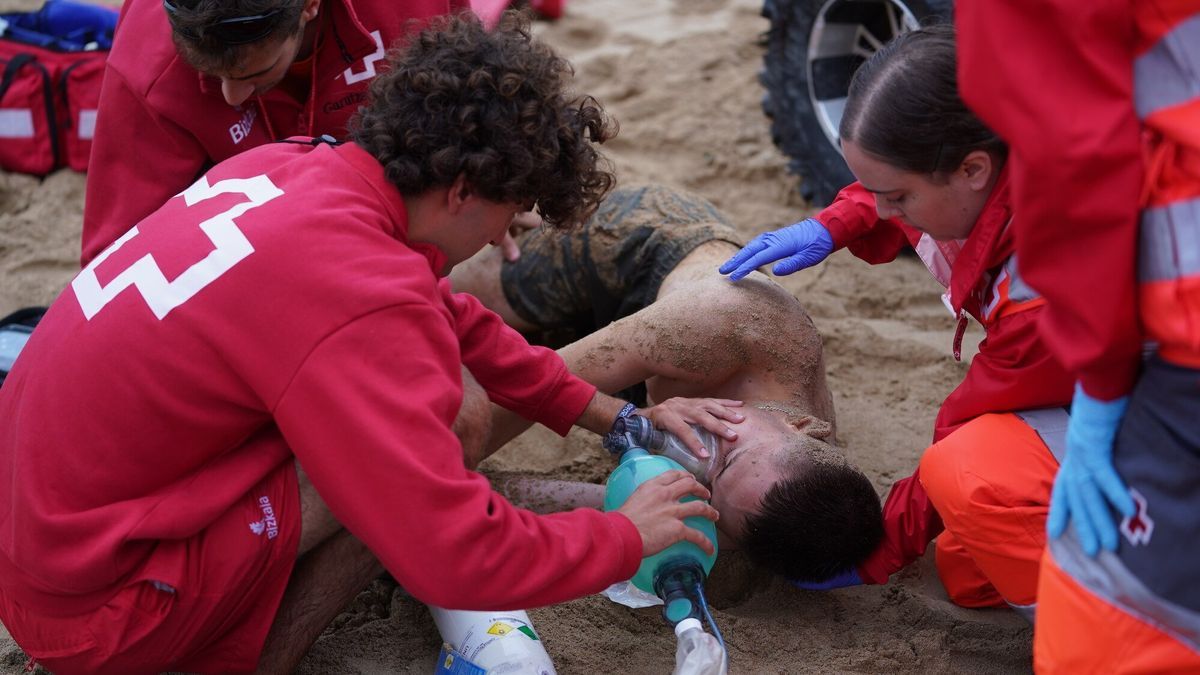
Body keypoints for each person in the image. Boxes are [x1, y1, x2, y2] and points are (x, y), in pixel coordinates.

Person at [0, 16, 741, 674]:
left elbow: (448, 311)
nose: (499, 239)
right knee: (424, 447)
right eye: (508, 216)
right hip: (99, 612)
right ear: (462, 191)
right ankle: (261, 657)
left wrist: (610, 416)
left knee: (380, 432)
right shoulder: (364, 297)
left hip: (32, 546)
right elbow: (453, 553)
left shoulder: (296, 166)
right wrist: (620, 535)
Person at [718, 25, 1075, 615]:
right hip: (1101, 380)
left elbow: (963, 423)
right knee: (969, 568)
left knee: (969, 478)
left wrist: (882, 551)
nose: (882, 210)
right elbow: (904, 198)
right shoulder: (1010, 161)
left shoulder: (1047, 289)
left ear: (973, 169)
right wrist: (835, 222)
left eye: (896, 197)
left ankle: (1119, 629)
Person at [450, 183, 885, 582]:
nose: (699, 457)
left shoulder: (767, 503)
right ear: (803, 426)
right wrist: (442, 477)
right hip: (645, 251)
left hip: (657, 370)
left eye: (708, 489)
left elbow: (561, 503)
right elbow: (534, 384)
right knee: (450, 285)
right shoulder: (723, 327)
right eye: (729, 453)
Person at [955, 0, 1200, 669]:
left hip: (1183, 343)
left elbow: (1073, 151)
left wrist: (1101, 374)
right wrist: (842, 221)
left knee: (1098, 638)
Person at [80, 0, 470, 266]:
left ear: (310, 6)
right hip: (242, 242)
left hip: (380, 205)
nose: (230, 97)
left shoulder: (415, 11)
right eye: (211, 77)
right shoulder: (145, 61)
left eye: (250, 74)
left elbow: (468, 99)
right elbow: (112, 259)